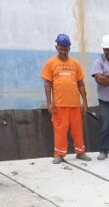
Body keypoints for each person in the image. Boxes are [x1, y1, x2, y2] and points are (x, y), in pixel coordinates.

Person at [41, 33, 90, 164]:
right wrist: (49, 103)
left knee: (77, 130)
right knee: (60, 130)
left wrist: (84, 102)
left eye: (66, 48)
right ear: (56, 47)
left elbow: (81, 84)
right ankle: (59, 154)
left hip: (75, 105)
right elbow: (47, 84)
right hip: (59, 105)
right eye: (61, 48)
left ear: (69, 48)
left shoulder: (75, 64)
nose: (63, 51)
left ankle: (80, 152)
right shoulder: (50, 63)